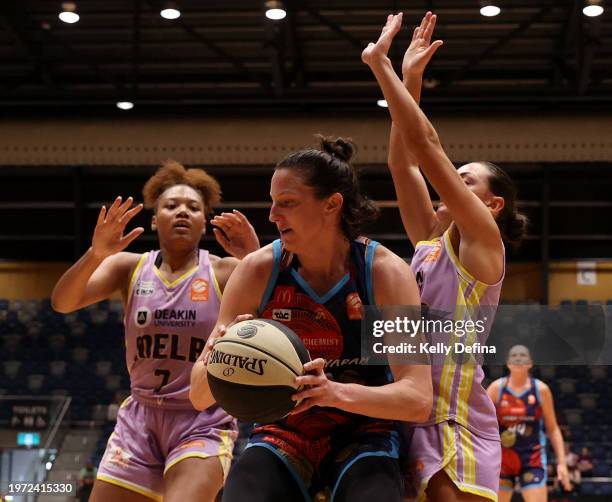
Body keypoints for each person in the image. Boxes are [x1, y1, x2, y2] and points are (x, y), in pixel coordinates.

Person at [190, 136, 433, 502]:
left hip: (365, 434)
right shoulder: (257, 270)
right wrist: (219, 351)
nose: (272, 215)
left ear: (331, 204)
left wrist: (333, 393)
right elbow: (198, 395)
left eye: (287, 203)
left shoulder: (385, 273)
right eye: (273, 203)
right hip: (282, 434)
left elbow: (417, 397)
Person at [362, 12, 528, 502]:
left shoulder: (484, 244)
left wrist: (384, 68)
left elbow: (425, 145)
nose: (454, 181)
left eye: (466, 178)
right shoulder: (429, 246)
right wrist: (410, 78)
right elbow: (401, 161)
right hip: (411, 410)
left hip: (456, 418)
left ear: (492, 204)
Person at [52, 160, 259, 502]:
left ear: (204, 223)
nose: (182, 212)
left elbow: (279, 313)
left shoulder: (225, 271)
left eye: (193, 207)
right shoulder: (128, 267)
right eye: (171, 205)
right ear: (153, 219)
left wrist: (254, 256)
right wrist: (95, 253)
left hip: (203, 419)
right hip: (140, 417)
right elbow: (63, 301)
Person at [488, 345, 571, 501]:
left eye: (522, 355)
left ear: (530, 363)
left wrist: (562, 464)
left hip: (532, 459)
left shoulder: (541, 390)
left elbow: (553, 429)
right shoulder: (496, 389)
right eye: (514, 355)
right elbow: (481, 425)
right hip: (501, 461)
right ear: (508, 363)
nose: (518, 358)